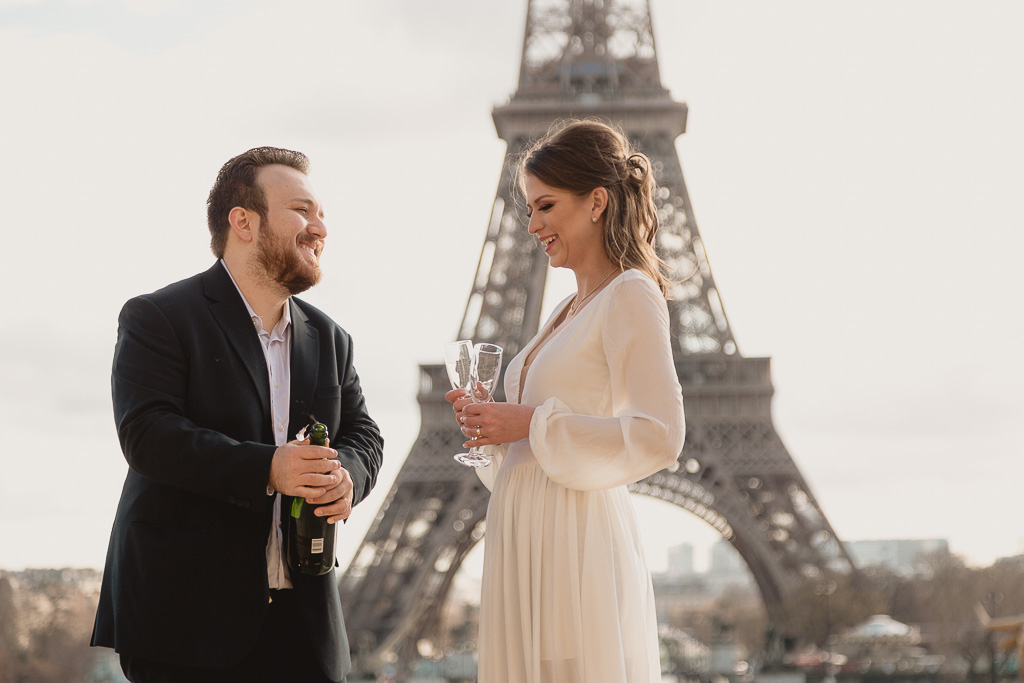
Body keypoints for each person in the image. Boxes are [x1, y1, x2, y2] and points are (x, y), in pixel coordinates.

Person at [91, 147, 384, 683]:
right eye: (303, 209)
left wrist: (346, 476)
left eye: (322, 214)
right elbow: (147, 434)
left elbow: (364, 434)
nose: (320, 226)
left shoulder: (331, 338)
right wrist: (269, 468)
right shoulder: (157, 316)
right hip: (186, 623)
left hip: (305, 626)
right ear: (243, 222)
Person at [447, 119, 686, 682]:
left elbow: (660, 434)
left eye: (546, 206)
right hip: (529, 532)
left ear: (597, 200)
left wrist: (528, 422)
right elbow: (532, 448)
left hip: (574, 541)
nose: (532, 225)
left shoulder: (630, 292)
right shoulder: (566, 309)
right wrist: (493, 431)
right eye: (529, 209)